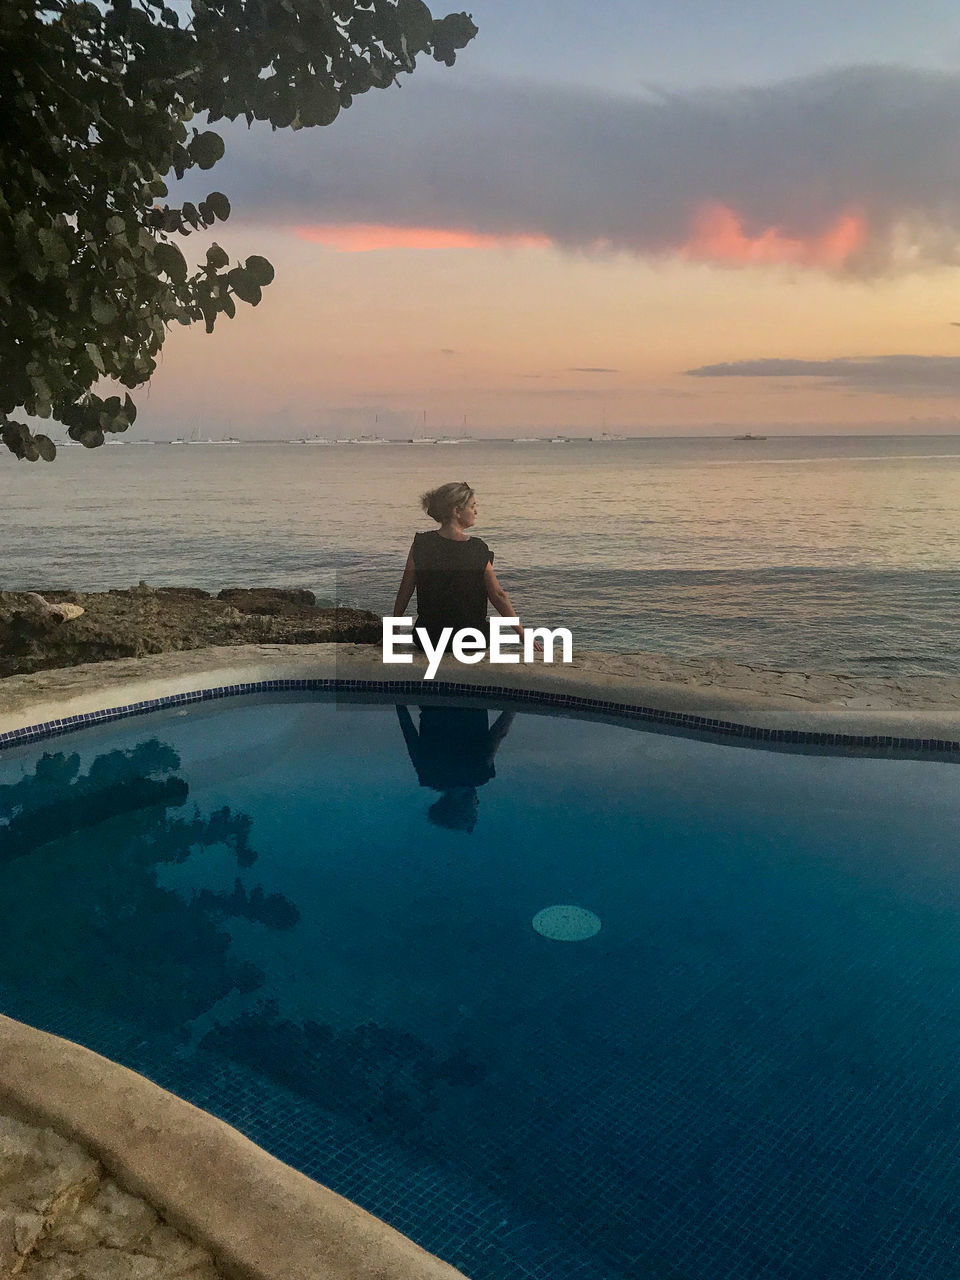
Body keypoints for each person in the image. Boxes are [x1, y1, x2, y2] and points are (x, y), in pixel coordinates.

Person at [391, 480, 538, 652]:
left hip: (429, 638)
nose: (476, 511)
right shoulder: (477, 548)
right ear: (457, 511)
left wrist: (393, 630)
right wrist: (521, 633)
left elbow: (405, 589)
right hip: (471, 639)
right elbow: (498, 595)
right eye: (472, 506)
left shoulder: (421, 544)